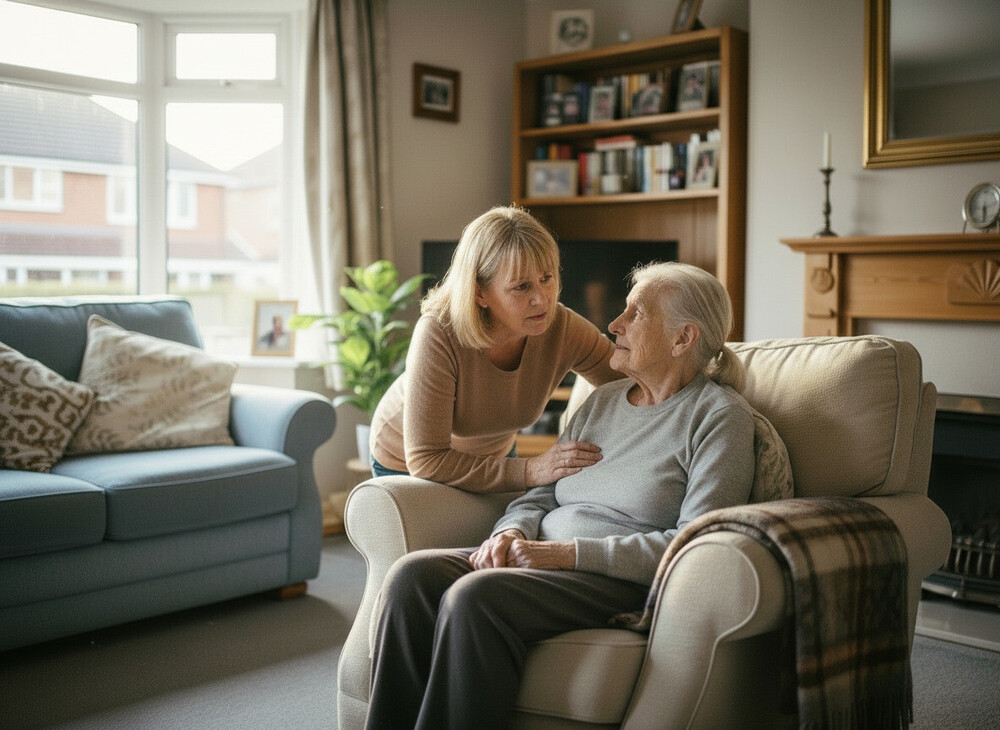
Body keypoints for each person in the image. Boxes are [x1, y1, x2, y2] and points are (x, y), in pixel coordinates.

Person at [364, 261, 756, 730]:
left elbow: (694, 546)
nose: (614, 325)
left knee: (475, 597)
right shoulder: (605, 401)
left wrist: (563, 555)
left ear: (682, 338)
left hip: (611, 578)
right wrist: (509, 532)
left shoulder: (718, 418)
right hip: (540, 558)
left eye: (637, 314)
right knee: (412, 577)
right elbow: (540, 495)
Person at [368, 205, 624, 491]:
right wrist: (531, 469)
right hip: (408, 464)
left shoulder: (562, 326)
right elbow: (427, 459)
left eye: (547, 278)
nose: (542, 299)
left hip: (494, 457)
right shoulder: (438, 332)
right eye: (521, 286)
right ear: (480, 293)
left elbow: (629, 378)